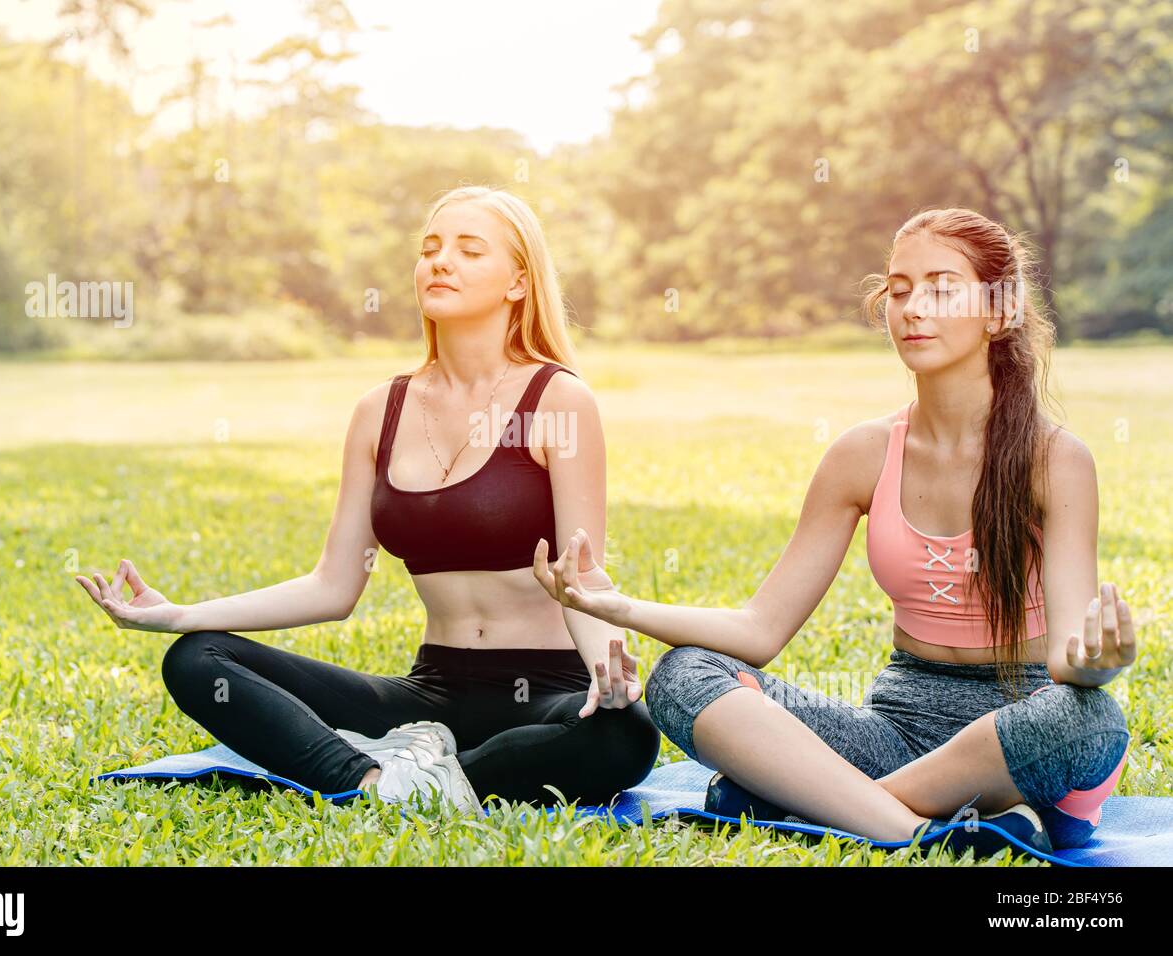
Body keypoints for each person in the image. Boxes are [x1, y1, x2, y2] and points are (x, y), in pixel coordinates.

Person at [532, 207, 1135, 856]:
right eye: (899, 290)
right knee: (686, 675)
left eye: (940, 287)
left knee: (1088, 722)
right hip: (893, 727)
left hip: (1016, 731)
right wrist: (615, 605)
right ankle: (920, 828)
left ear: (1000, 310)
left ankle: (813, 803)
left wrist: (1095, 667)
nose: (912, 308)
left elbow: (1063, 662)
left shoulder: (1057, 459)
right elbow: (758, 633)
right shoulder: (862, 453)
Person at [76, 185, 660, 815]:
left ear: (518, 282)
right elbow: (333, 586)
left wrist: (611, 671)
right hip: (430, 694)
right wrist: (183, 614)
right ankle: (373, 783)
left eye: (469, 250)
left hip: (546, 691)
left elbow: (585, 579)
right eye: (430, 249)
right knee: (198, 661)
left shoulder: (558, 400)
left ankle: (429, 773)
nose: (440, 262)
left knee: (624, 736)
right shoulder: (380, 410)